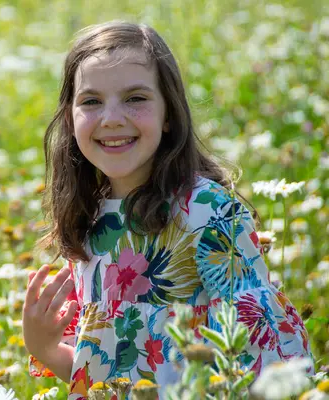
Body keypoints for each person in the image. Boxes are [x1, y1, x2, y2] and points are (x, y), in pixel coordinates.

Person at [22, 21, 312, 399]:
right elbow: (101, 373)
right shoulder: (91, 219)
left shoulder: (206, 212)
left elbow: (261, 348)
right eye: (91, 101)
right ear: (69, 117)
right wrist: (43, 347)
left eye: (135, 98)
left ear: (169, 113)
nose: (111, 118)